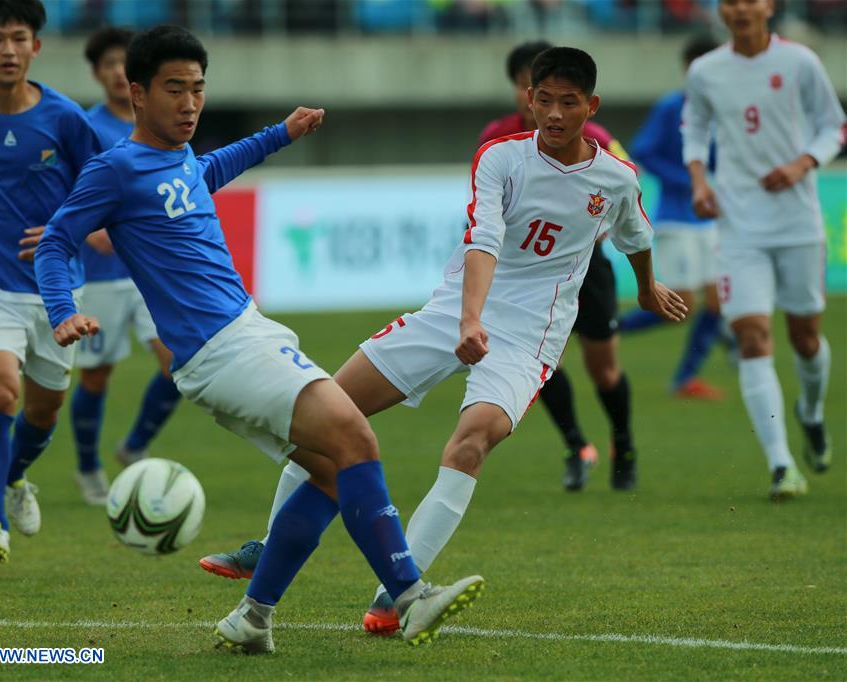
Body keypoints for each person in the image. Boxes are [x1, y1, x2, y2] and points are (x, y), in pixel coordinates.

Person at [199, 47, 686, 637]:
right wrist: (469, 320)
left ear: (593, 106)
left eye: (570, 102)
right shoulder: (500, 157)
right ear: (529, 100)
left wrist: (649, 285)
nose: (555, 114)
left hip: (529, 340)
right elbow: (484, 238)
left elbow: (635, 233)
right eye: (546, 100)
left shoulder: (614, 178)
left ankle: (392, 597)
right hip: (454, 314)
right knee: (330, 408)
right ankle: (269, 544)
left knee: (470, 442)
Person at [34, 24, 483, 653]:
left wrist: (281, 134)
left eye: (198, 89)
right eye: (174, 90)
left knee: (329, 473)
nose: (189, 103)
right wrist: (62, 311)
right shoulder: (115, 169)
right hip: (223, 348)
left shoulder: (181, 157)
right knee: (354, 435)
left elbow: (215, 166)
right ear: (137, 94)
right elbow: (56, 241)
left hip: (243, 332)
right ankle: (410, 596)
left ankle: (252, 617)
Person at [0, 0, 102, 564]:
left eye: (18, 38)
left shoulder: (65, 119)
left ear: (35, 47)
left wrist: (66, 228)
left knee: (42, 411)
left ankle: (15, 478)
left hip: (56, 288)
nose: (8, 50)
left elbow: (105, 189)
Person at [683, 0, 845, 499]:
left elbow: (834, 126)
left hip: (797, 222)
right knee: (752, 337)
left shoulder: (800, 62)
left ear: (769, 6)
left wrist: (802, 164)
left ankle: (812, 415)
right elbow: (694, 129)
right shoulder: (706, 70)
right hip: (738, 225)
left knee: (805, 338)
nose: (740, 9)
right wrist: (698, 181)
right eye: (730, 1)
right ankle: (781, 464)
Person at [480, 40, 640, 492]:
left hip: (584, 268)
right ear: (524, 91)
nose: (550, 106)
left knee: (604, 367)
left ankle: (623, 444)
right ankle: (575, 445)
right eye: (531, 89)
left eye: (564, 97)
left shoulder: (598, 139)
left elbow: (629, 183)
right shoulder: (498, 138)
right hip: (523, 274)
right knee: (535, 363)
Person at [69, 26, 182, 506]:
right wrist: (92, 229)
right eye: (108, 64)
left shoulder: (161, 124)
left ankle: (134, 446)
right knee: (96, 376)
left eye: (125, 63)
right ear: (97, 73)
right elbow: (71, 190)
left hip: (150, 275)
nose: (118, 72)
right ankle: (88, 467)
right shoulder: (85, 127)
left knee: (179, 363)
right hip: (101, 276)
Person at [619, 35, 725, 400]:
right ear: (687, 68)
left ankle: (685, 378)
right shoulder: (672, 106)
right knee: (682, 304)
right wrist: (689, 180)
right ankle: (602, 328)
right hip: (677, 217)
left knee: (718, 301)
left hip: (710, 219)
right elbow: (643, 150)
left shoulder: (723, 107)